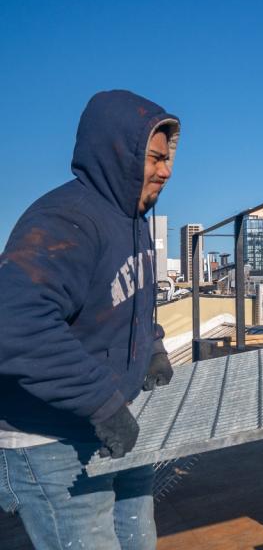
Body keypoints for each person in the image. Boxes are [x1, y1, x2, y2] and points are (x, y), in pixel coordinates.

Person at [0, 90, 180, 549]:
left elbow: (130, 303)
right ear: (120, 153)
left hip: (112, 420)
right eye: (154, 158)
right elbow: (14, 324)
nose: (166, 171)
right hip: (51, 439)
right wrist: (101, 403)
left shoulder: (133, 219)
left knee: (138, 540)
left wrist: (153, 348)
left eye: (168, 158)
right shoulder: (67, 220)